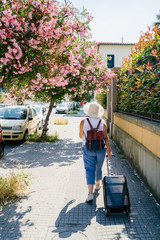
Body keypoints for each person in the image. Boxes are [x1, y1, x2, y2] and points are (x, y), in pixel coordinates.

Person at [79, 101, 112, 202]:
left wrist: (88, 140)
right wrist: (109, 152)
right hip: (101, 149)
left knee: (89, 169)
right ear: (98, 111)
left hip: (87, 148)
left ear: (89, 110)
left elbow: (81, 135)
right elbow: (106, 138)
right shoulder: (103, 122)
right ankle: (97, 184)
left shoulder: (83, 121)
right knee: (99, 166)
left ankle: (90, 194)